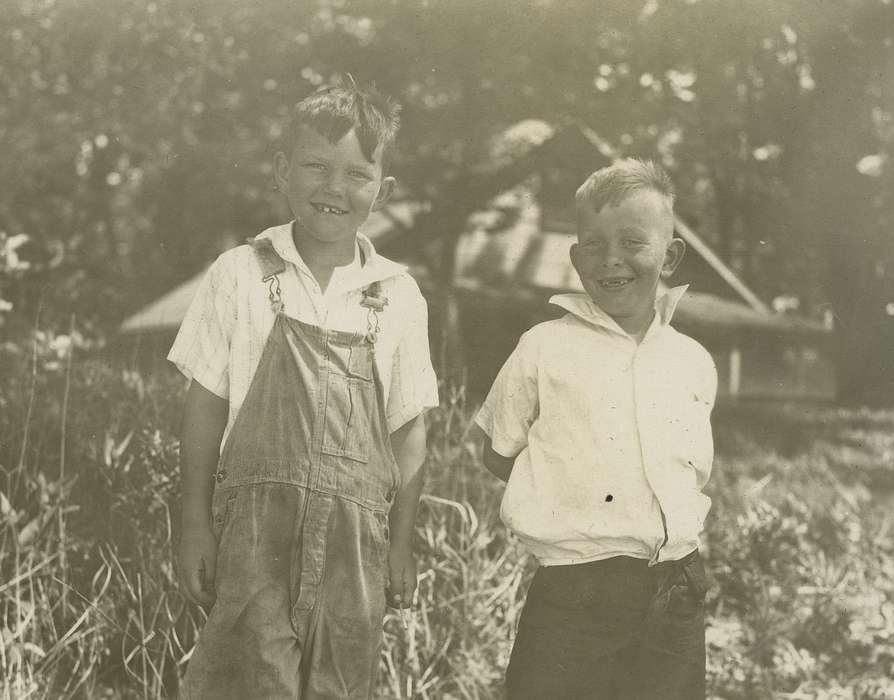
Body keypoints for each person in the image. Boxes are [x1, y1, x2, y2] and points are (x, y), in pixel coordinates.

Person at [168, 81, 438, 700]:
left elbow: (408, 430)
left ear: (383, 189)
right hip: (254, 535)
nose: (333, 189)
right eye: (315, 166)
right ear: (282, 171)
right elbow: (205, 403)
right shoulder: (240, 272)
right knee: (245, 679)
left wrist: (400, 543)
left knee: (339, 684)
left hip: (357, 545)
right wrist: (193, 523)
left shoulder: (398, 295)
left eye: (356, 173)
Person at [475, 158, 717, 700]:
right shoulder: (544, 346)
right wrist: (566, 493)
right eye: (594, 243)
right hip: (575, 594)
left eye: (633, 242)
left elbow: (691, 470)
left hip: (675, 589)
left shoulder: (692, 360)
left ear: (670, 255)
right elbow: (497, 453)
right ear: (575, 254)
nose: (612, 259)